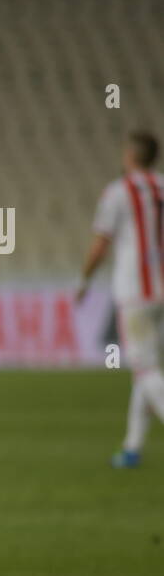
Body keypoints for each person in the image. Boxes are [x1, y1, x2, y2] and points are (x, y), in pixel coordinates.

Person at [77, 130, 164, 468]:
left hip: (136, 293)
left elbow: (101, 243)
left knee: (145, 370)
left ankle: (132, 447)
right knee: (145, 369)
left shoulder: (118, 192)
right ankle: (132, 447)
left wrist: (84, 279)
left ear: (129, 155)